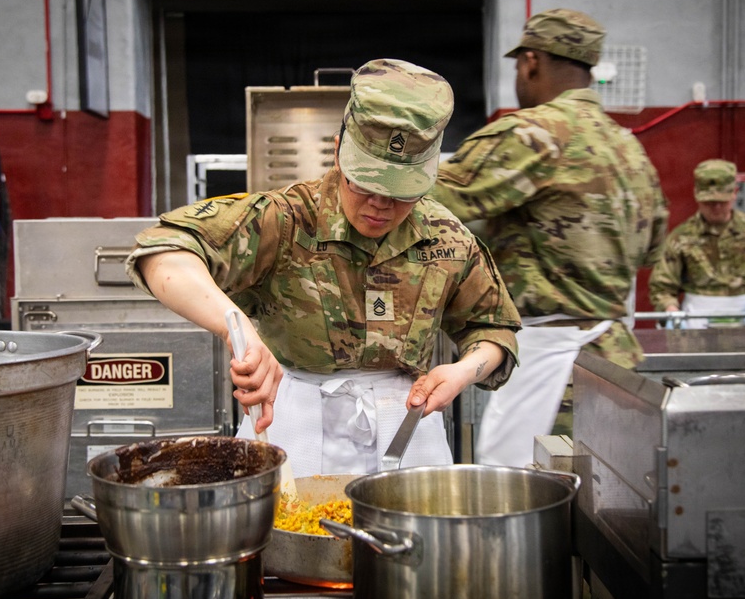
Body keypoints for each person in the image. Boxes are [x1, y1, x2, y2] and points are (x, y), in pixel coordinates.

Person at [125, 58, 521, 477]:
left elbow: (494, 328)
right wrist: (235, 326)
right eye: (365, 183)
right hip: (294, 423)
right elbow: (163, 251)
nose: (380, 205)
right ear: (338, 151)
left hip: (409, 427)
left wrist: (462, 371)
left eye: (402, 192)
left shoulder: (446, 237)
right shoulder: (285, 219)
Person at [430, 9, 669, 467]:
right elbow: (654, 247)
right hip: (616, 368)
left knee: (533, 512)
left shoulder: (533, 134)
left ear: (531, 61)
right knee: (613, 510)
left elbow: (433, 194)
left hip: (556, 378)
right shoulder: (630, 149)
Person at [649, 159, 745, 329]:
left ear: (735, 193)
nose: (715, 208)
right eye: (708, 202)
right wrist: (672, 312)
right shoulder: (681, 236)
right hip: (697, 321)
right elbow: (662, 286)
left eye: (721, 202)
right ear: (696, 195)